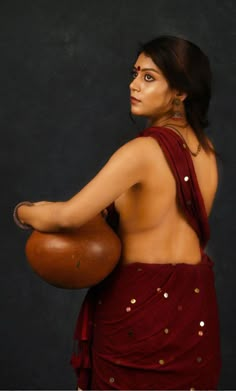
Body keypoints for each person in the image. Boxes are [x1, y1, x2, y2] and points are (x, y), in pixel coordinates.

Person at [14, 35, 221, 390]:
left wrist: (25, 212)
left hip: (140, 309)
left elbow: (68, 217)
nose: (134, 85)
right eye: (135, 73)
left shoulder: (140, 153)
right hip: (194, 307)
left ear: (181, 92)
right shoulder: (206, 149)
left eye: (149, 77)